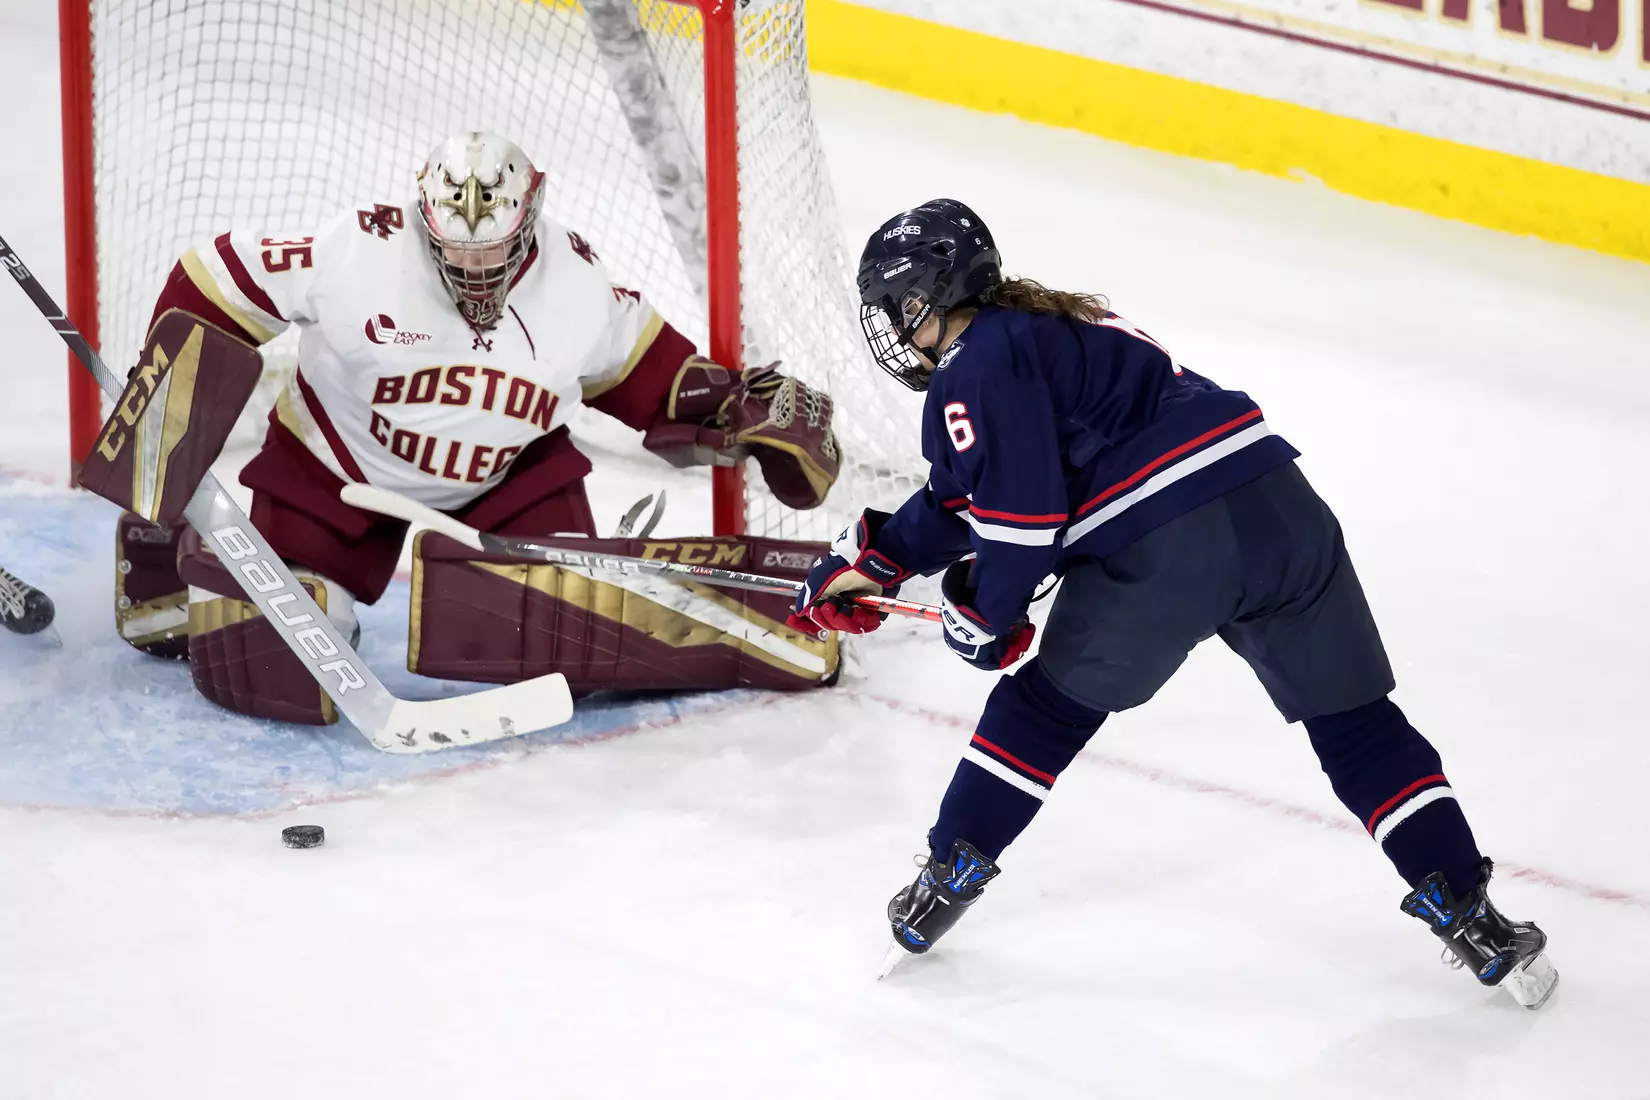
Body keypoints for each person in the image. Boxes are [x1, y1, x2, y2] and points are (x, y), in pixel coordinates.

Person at [788, 199, 1557, 1009]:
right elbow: (965, 504)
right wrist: (868, 561)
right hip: (1275, 507)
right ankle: (1472, 918)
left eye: (896, 307)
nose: (893, 329)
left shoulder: (973, 367)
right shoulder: (1066, 325)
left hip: (1165, 548)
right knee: (1360, 728)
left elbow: (1022, 523)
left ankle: (945, 880)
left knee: (1043, 713)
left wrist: (981, 617)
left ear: (926, 298)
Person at [101, 132, 841, 722]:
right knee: (277, 662)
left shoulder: (578, 284)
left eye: (494, 248)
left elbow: (657, 376)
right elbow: (212, 275)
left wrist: (735, 411)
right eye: (455, 249)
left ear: (534, 215)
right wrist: (164, 406)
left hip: (505, 479)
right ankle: (172, 557)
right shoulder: (356, 252)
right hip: (336, 472)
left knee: (564, 649)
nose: (475, 267)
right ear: (424, 218)